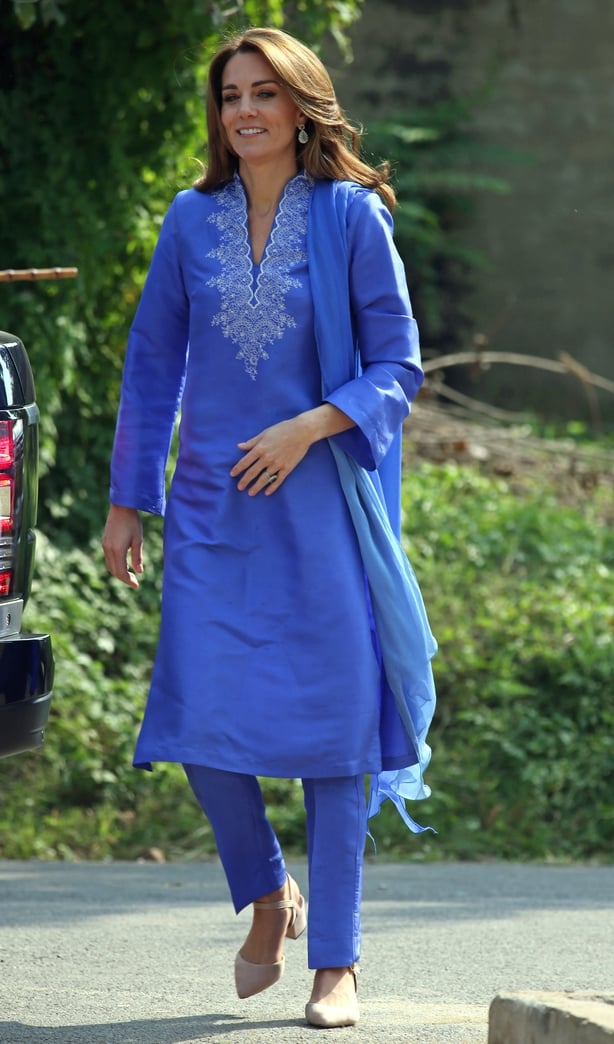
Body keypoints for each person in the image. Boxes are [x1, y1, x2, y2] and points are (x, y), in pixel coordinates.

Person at [102, 26, 436, 1029]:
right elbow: (152, 365)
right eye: (230, 95)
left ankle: (336, 964)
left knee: (336, 736)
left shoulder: (349, 218)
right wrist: (129, 499)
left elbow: (397, 366)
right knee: (198, 719)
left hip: (320, 509)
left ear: (301, 108)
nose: (243, 110)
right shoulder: (187, 220)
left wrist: (308, 425)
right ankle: (264, 892)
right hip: (211, 512)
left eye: (263, 92)